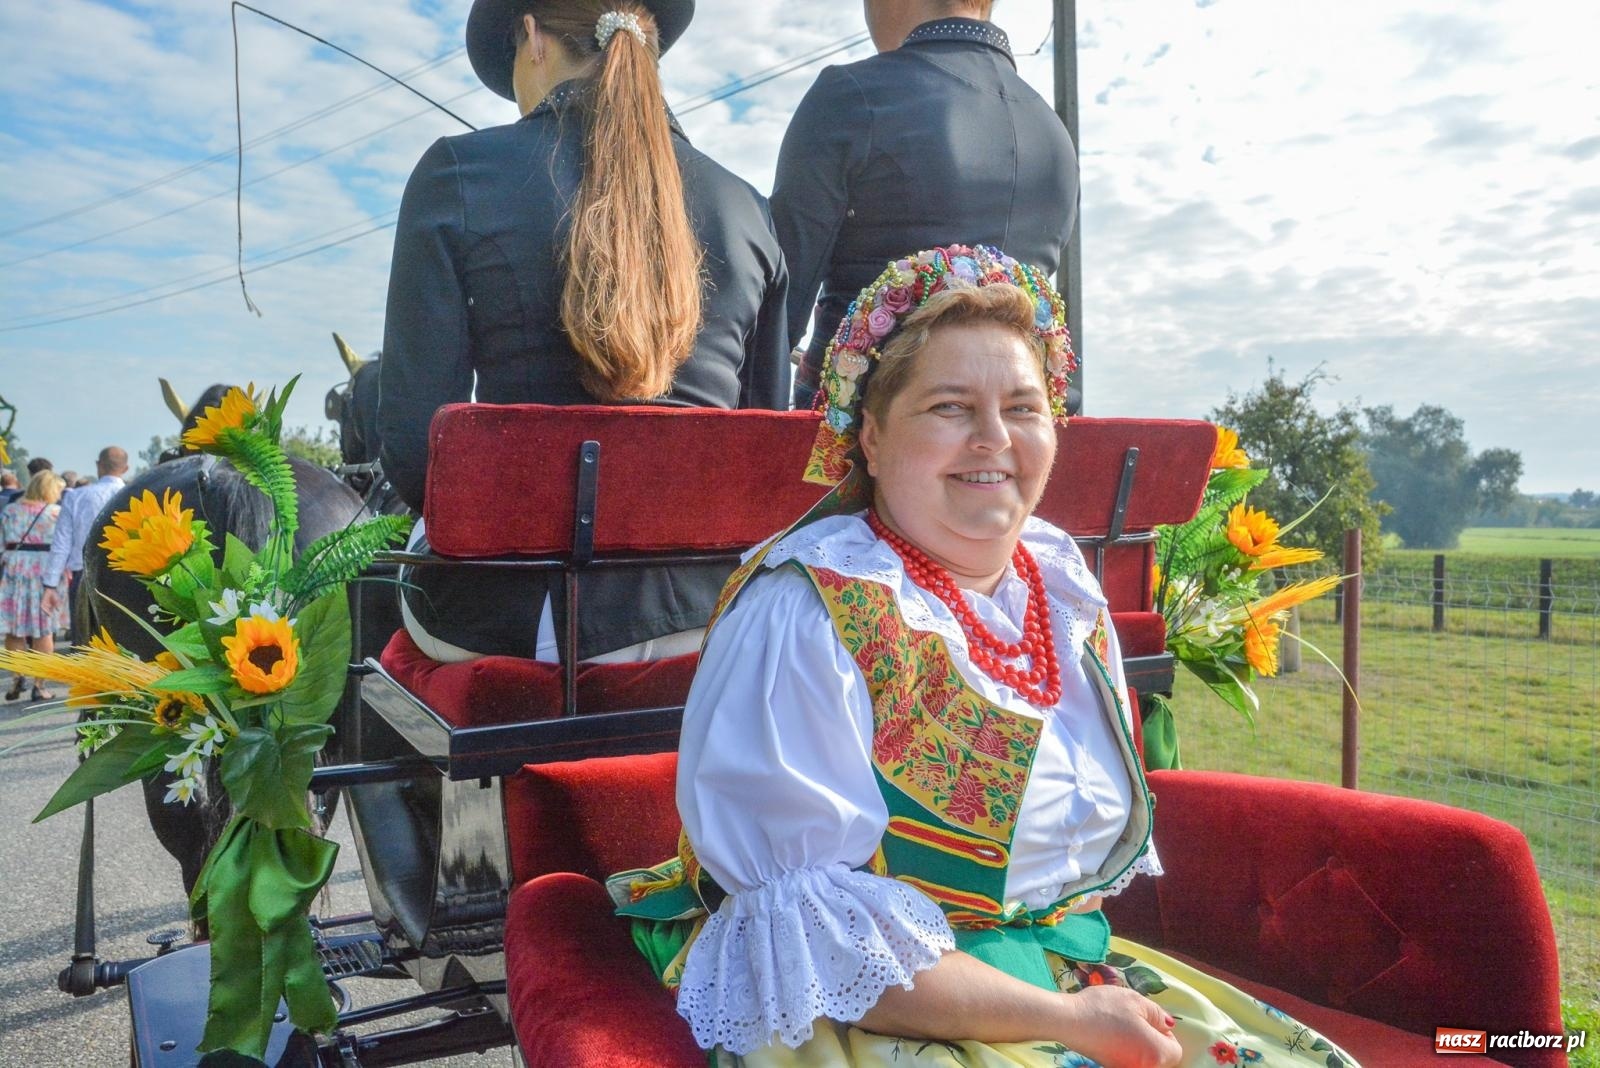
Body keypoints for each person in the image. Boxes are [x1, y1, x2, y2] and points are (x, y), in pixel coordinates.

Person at [616, 247, 1359, 1067]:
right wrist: (1073, 1024)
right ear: (869, 434)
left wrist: (1080, 1008)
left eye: (1023, 406)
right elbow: (821, 949)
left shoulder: (1058, 579)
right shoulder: (807, 610)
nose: (993, 439)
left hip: (1065, 982)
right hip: (876, 1009)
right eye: (948, 406)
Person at [380, 0, 789, 663]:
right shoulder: (750, 209)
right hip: (712, 619)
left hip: (510, 622)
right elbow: (764, 439)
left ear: (533, 39)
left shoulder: (456, 174)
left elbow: (411, 448)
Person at [773, 0, 1080, 409]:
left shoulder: (851, 94)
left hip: (863, 433)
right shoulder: (1055, 133)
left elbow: (776, 313)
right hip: (1011, 433)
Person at [42, 446, 129, 647]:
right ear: (126, 468)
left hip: (84, 576)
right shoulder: (134, 493)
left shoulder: (75, 497)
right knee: (124, 641)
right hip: (126, 575)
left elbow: (61, 543)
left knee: (85, 642)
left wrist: (50, 584)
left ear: (98, 465)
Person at [2, 471, 69, 701]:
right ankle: (39, 685)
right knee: (44, 629)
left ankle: (17, 676)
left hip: (15, 571)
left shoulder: (10, 511)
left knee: (14, 629)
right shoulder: (56, 513)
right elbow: (62, 546)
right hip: (45, 573)